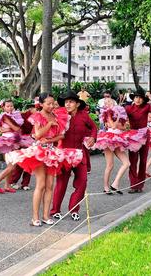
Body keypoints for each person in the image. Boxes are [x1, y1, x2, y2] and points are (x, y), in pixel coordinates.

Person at [7, 93, 83, 227]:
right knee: (41, 185)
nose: (51, 106)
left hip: (52, 152)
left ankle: (46, 215)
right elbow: (37, 135)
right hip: (39, 151)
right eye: (48, 103)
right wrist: (48, 125)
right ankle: (35, 217)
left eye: (53, 103)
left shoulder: (57, 116)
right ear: (41, 104)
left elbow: (61, 136)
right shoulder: (38, 116)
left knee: (50, 186)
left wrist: (50, 139)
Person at [50, 91, 97, 221]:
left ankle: (74, 209)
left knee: (82, 182)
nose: (68, 104)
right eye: (66, 102)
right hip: (63, 153)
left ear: (77, 104)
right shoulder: (59, 115)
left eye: (70, 102)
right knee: (62, 183)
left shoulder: (84, 115)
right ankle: (55, 211)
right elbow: (51, 130)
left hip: (79, 153)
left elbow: (93, 127)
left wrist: (93, 137)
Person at [89, 104, 145, 195]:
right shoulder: (108, 114)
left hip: (118, 140)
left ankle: (115, 184)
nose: (109, 102)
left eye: (110, 100)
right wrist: (118, 117)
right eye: (107, 100)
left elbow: (124, 128)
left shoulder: (120, 115)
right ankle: (106, 187)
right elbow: (113, 126)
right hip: (109, 139)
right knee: (110, 165)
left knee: (127, 163)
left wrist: (124, 124)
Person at [124, 88, 151, 193]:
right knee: (133, 160)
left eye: (140, 98)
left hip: (144, 135)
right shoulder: (128, 108)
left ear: (143, 100)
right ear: (133, 98)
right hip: (133, 136)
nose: (138, 100)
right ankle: (133, 185)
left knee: (143, 160)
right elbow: (119, 115)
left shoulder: (146, 107)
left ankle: (140, 185)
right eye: (136, 97)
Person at [9, 103, 37, 190]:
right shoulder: (22, 115)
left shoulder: (38, 117)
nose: (38, 110)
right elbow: (16, 126)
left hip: (32, 141)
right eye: (37, 108)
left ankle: (25, 183)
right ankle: (13, 181)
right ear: (31, 108)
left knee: (30, 162)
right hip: (22, 141)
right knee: (20, 162)